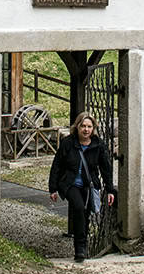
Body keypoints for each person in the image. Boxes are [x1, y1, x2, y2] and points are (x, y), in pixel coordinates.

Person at [48, 112, 116, 262]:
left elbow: (106, 168)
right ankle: (80, 249)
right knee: (78, 207)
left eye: (89, 127)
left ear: (93, 128)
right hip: (70, 184)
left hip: (88, 184)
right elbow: (57, 165)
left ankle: (82, 248)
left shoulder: (98, 145)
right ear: (77, 127)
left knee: (85, 214)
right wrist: (52, 188)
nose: (86, 130)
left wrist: (110, 190)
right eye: (83, 126)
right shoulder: (68, 143)